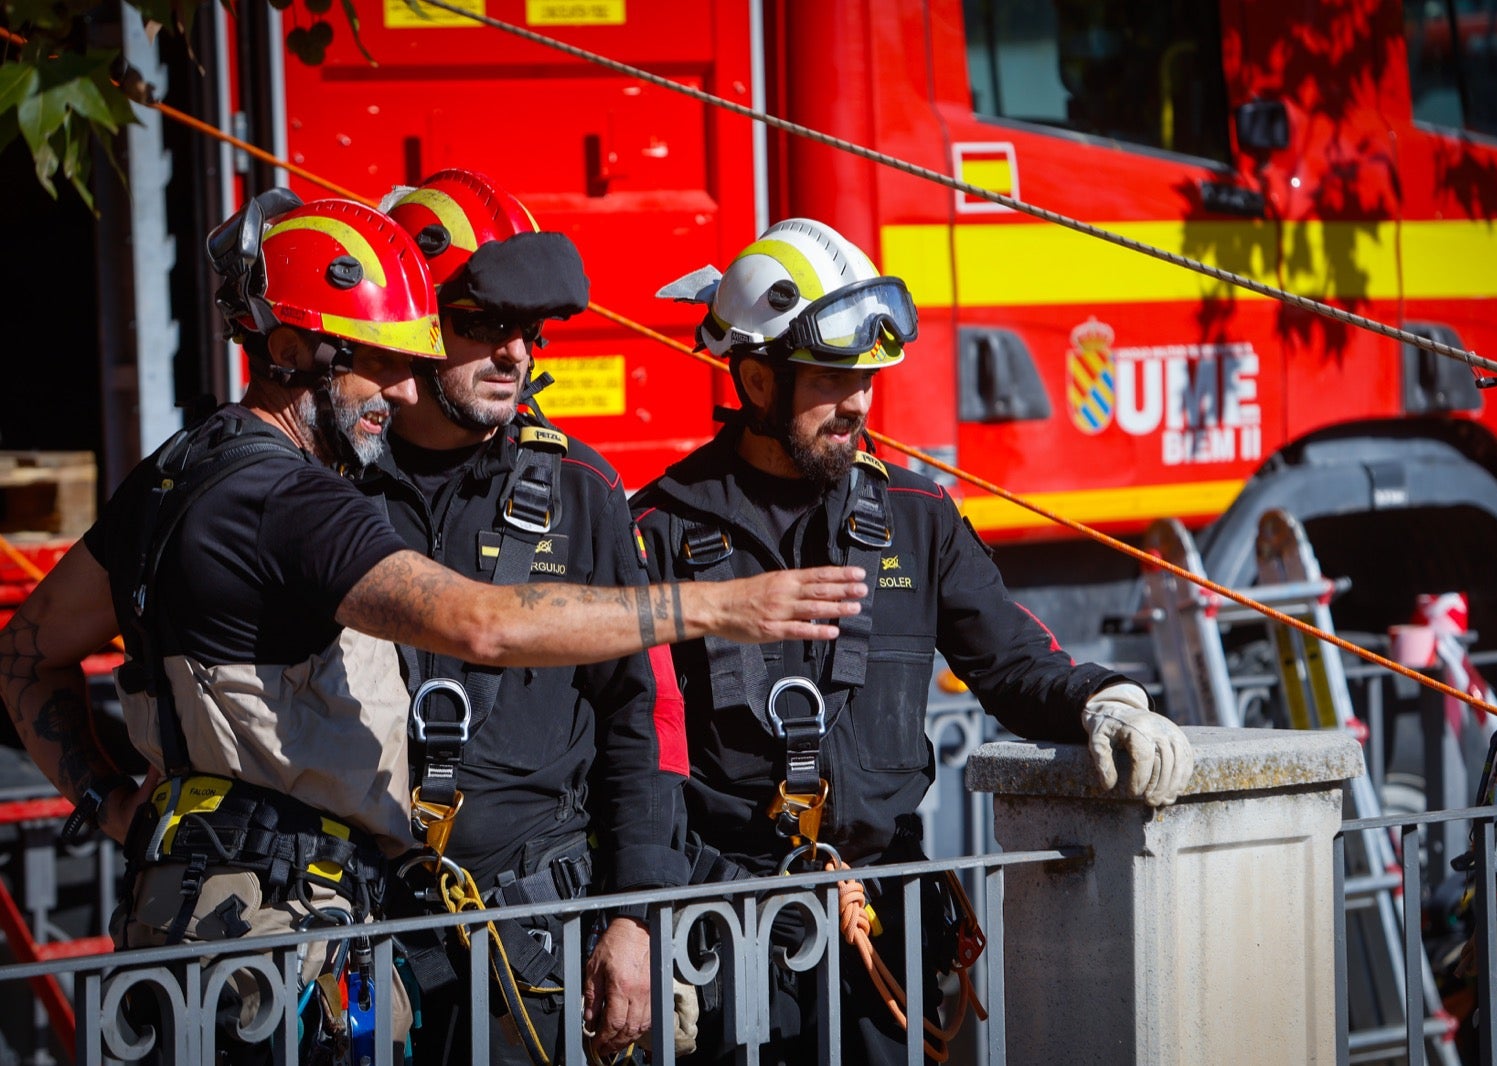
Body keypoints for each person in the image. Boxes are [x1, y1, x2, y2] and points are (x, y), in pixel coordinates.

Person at [0, 194, 866, 1062]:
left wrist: (112, 806)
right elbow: (480, 623)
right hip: (301, 946)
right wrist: (718, 604)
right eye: (387, 358)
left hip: (285, 931)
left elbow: (27, 652)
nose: (408, 383)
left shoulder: (175, 474)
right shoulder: (304, 497)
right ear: (294, 351)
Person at [632, 218, 1196, 1064]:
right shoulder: (658, 530)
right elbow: (633, 752)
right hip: (723, 941)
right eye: (832, 379)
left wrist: (1102, 706)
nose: (860, 403)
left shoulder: (916, 519)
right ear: (754, 379)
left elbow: (1012, 662)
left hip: (880, 941)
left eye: (868, 379)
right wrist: (650, 921)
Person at [367, 169, 677, 1062]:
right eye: (481, 325)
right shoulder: (322, 488)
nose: (515, 355)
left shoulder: (582, 491)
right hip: (360, 930)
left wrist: (636, 918)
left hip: (536, 941)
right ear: (408, 322)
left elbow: (643, 716)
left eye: (529, 333)